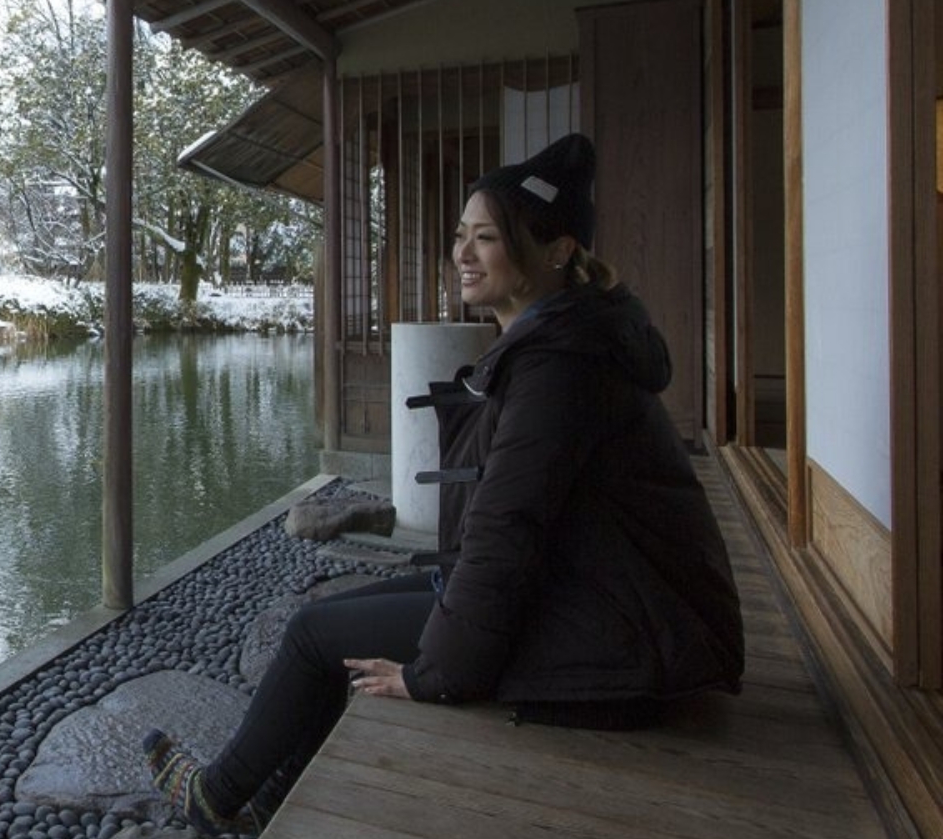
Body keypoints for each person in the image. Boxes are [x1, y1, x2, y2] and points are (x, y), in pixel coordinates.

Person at [141, 133, 745, 835]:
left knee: (312, 633)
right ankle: (270, 798)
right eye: (462, 234)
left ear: (558, 250)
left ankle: (214, 798)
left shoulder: (560, 365)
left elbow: (507, 532)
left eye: (487, 237)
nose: (461, 251)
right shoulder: (564, 340)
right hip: (606, 596)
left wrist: (435, 675)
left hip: (621, 637)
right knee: (347, 614)